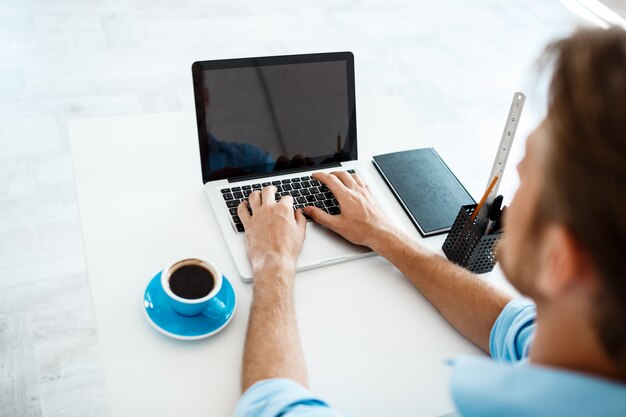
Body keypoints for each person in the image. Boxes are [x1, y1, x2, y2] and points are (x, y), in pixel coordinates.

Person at [233, 27, 626, 416]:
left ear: (560, 258)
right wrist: (384, 234)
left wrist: (274, 263)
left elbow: (273, 408)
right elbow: (513, 325)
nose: (506, 193)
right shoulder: (592, 349)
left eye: (523, 181)